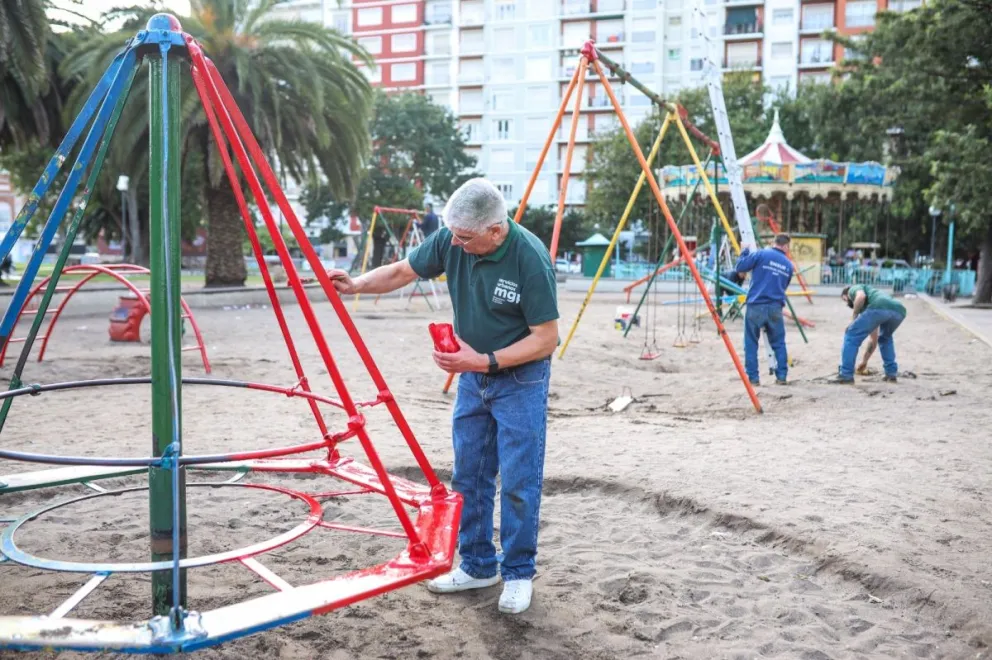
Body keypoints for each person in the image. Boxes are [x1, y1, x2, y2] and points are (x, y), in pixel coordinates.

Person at [324, 178, 559, 615]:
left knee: (519, 479)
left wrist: (484, 360)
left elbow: (546, 339)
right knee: (469, 474)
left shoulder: (529, 258)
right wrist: (355, 284)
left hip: (519, 378)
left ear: (495, 230)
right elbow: (402, 271)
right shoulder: (453, 238)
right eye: (452, 234)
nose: (454, 243)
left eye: (465, 237)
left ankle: (518, 573)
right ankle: (477, 564)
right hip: (473, 376)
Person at [734, 234, 795, 385]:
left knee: (751, 343)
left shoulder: (762, 254)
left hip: (756, 305)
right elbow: (784, 286)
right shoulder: (788, 265)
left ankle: (753, 378)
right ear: (785, 246)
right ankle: (782, 376)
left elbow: (740, 267)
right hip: (775, 307)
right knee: (779, 343)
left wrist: (744, 251)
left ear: (775, 243)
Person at [830, 284, 906, 383]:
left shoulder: (853, 289)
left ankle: (846, 375)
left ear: (846, 295)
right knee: (885, 339)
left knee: (851, 334)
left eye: (845, 300)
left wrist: (854, 317)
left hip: (879, 307)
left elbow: (861, 296)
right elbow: (873, 339)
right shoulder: (870, 305)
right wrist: (864, 361)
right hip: (899, 311)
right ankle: (891, 374)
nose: (847, 303)